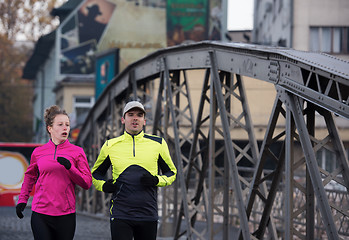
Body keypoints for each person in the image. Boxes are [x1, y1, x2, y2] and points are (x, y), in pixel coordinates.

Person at [91, 100, 177, 240]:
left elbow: (172, 173)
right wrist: (104, 185)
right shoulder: (110, 145)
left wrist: (157, 180)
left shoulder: (158, 144)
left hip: (148, 214)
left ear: (144, 121)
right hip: (120, 214)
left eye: (139, 115)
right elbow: (96, 174)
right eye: (130, 114)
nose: (135, 118)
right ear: (123, 120)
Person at [15, 105, 92, 240]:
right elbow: (29, 176)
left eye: (67, 125)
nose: (65, 128)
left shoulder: (77, 152)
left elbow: (86, 183)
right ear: (50, 129)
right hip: (40, 213)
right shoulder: (38, 152)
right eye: (60, 124)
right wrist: (22, 199)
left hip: (66, 215)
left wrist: (70, 168)